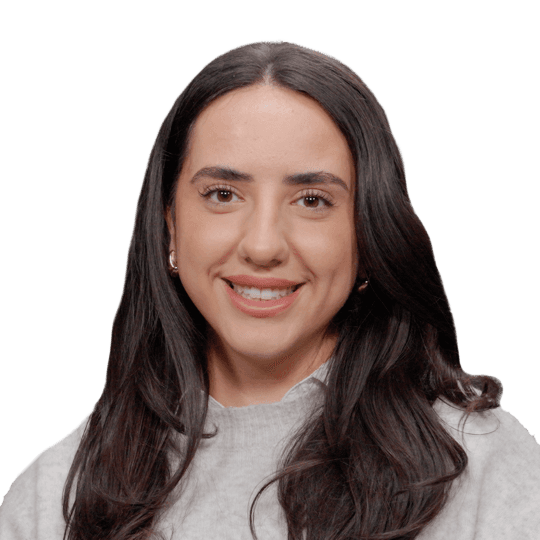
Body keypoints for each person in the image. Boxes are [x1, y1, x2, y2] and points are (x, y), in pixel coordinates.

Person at [1, 39, 539, 540]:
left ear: (369, 235)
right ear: (169, 226)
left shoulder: (480, 467)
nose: (262, 246)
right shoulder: (56, 496)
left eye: (311, 200)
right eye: (222, 194)